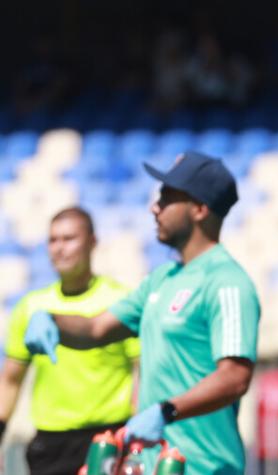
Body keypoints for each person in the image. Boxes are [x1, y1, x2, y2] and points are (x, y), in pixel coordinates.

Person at [23, 152, 261, 475]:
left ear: (200, 209)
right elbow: (96, 329)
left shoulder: (227, 282)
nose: (154, 207)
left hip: (206, 467)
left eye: (166, 198)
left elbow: (234, 377)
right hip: (152, 466)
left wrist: (166, 412)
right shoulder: (161, 280)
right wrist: (51, 320)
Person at [0, 207, 139, 475]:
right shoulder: (30, 306)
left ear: (92, 242)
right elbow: (10, 380)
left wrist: (138, 436)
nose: (59, 248)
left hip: (107, 439)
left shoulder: (120, 302)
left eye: (69, 239)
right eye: (53, 240)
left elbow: (142, 372)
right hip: (49, 443)